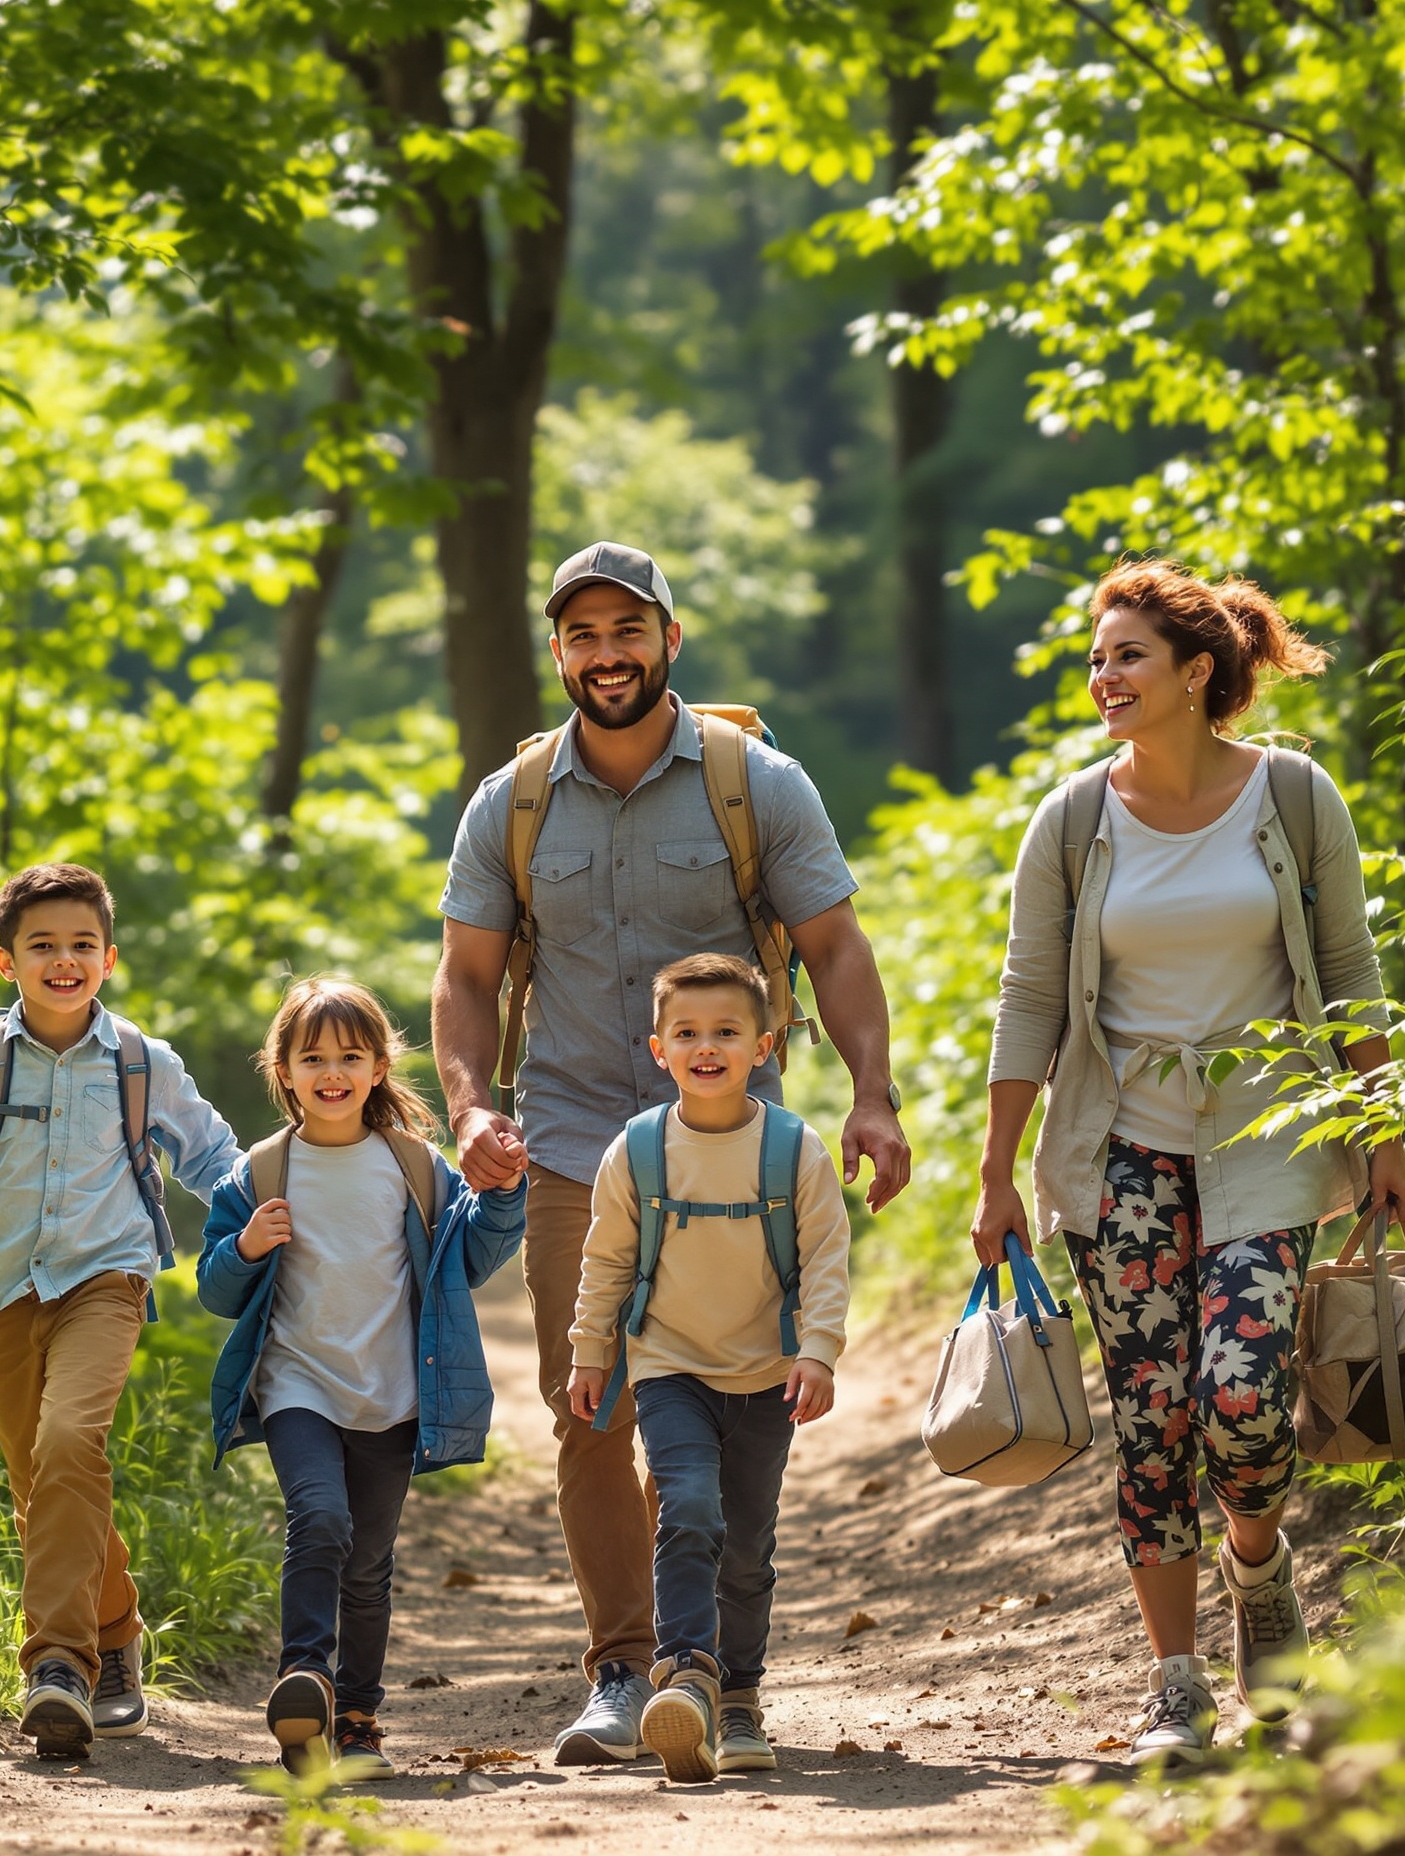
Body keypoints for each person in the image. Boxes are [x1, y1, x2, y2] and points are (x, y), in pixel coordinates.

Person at [433, 540, 908, 1762]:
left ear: (669, 640)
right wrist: (468, 1103)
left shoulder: (758, 781)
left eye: (626, 630)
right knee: (592, 1405)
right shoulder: (516, 797)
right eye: (582, 635)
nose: (606, 654)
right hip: (574, 1145)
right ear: (559, 654)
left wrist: (873, 1093)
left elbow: (837, 948)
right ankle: (621, 1668)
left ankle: (704, 1661)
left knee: (720, 1409)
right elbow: (467, 972)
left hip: (729, 1155)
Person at [972, 561, 1405, 1767]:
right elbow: (1027, 997)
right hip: (1117, 1140)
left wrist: (1383, 1133)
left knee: (1245, 1394)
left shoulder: (1291, 793)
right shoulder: (1072, 817)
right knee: (1155, 1415)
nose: (1103, 676)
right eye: (1096, 657)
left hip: (1270, 1132)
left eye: (1126, 655)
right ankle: (1177, 1683)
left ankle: (1260, 1565)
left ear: (1197, 673)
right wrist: (998, 1169)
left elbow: (1348, 963)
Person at [0, 862, 242, 1760]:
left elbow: (214, 1159)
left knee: (66, 1445)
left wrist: (271, 1225)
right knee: (38, 1488)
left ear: (110, 958)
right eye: (42, 946)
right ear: (6, 961)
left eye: (81, 945)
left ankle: (58, 1666)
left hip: (107, 1279)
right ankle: (117, 1626)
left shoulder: (140, 1061)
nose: (64, 960)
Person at [198, 978, 526, 1776]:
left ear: (380, 1066)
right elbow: (214, 1289)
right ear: (282, 1069)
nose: (331, 1071)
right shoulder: (259, 1173)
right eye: (312, 1057)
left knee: (369, 1566)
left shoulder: (415, 1166)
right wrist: (244, 1248)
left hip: (394, 1394)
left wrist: (505, 1194)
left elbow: (473, 1256)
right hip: (296, 1385)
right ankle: (302, 1679)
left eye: (350, 1055)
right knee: (319, 1519)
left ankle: (356, 1721)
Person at [565, 953, 850, 1782]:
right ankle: (686, 1674)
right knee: (687, 1506)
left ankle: (740, 1702)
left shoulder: (795, 1149)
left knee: (748, 1543)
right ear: (658, 1049)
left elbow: (826, 1260)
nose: (706, 1047)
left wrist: (819, 1352)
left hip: (766, 1371)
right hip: (669, 1366)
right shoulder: (639, 1149)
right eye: (686, 1033)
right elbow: (606, 1261)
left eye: (727, 1031)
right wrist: (592, 1351)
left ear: (765, 1044)